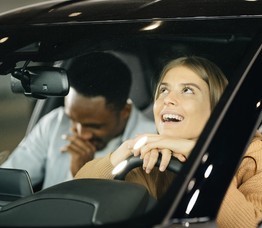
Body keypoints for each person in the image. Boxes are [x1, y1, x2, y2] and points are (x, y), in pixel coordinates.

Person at [75, 56, 262, 228]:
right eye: (163, 90)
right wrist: (124, 152)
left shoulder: (255, 154)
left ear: (216, 107)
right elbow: (78, 199)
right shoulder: (153, 157)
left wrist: (200, 158)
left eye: (187, 90)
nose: (168, 99)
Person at [2, 52, 155, 189]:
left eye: (94, 126)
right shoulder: (54, 123)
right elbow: (8, 181)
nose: (82, 134)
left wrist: (84, 175)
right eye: (73, 119)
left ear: (124, 112)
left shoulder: (151, 142)